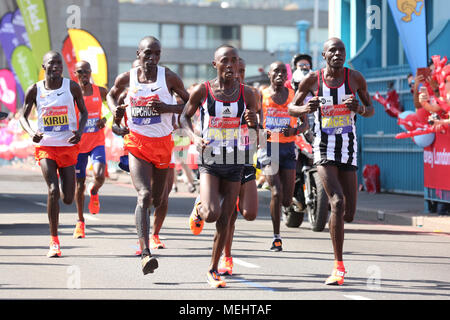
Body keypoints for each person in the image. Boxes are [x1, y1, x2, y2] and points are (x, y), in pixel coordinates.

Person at [288, 37, 374, 285]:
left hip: (348, 146)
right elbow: (292, 108)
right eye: (333, 50)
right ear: (324, 55)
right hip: (323, 146)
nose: (338, 54)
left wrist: (358, 108)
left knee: (348, 213)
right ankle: (338, 266)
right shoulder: (313, 80)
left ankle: (339, 226)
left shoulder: (355, 78)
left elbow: (370, 110)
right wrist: (306, 109)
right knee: (336, 202)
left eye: (342, 50)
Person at [107, 36, 189, 274]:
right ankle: (145, 254)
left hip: (163, 144)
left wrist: (168, 108)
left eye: (157, 54)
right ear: (138, 54)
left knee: (158, 200)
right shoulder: (128, 78)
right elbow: (111, 96)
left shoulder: (169, 77)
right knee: (143, 195)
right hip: (137, 142)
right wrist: (116, 112)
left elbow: (190, 103)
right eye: (147, 54)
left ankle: (150, 232)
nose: (152, 58)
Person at [180, 44, 258, 288]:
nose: (230, 65)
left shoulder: (248, 94)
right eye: (225, 61)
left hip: (235, 159)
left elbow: (256, 128)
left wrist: (254, 121)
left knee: (227, 216)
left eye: (234, 61)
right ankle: (200, 206)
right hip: (211, 159)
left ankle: (213, 269)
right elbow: (184, 116)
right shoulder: (203, 91)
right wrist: (194, 137)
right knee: (212, 214)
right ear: (215, 64)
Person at [19, 51, 88, 257]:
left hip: (67, 146)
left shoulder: (72, 87)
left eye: (59, 63)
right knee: (52, 190)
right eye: (52, 63)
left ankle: (64, 194)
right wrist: (32, 132)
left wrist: (79, 131)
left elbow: (83, 112)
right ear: (44, 67)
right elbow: (23, 116)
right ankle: (54, 242)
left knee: (67, 198)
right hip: (46, 146)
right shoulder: (35, 89)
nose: (57, 66)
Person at [218, 57, 259, 276]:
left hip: (246, 158)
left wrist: (254, 124)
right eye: (236, 70)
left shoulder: (251, 94)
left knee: (249, 213)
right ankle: (227, 257)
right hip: (221, 160)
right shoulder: (219, 94)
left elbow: (257, 134)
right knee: (228, 214)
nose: (238, 74)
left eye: (242, 70)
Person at [259, 61, 300, 252]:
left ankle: (288, 203)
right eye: (276, 71)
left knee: (286, 199)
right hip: (269, 148)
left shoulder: (294, 96)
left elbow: (305, 123)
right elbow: (256, 124)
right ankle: (276, 237)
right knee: (276, 191)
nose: (280, 74)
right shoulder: (262, 95)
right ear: (269, 74)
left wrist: (295, 129)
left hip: (288, 147)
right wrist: (263, 134)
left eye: (284, 72)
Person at [72, 61, 109, 239]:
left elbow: (114, 103)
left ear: (90, 72)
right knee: (79, 186)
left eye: (87, 71)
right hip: (78, 145)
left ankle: (94, 191)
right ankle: (80, 222)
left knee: (100, 176)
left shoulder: (99, 91)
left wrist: (106, 118)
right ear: (75, 74)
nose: (84, 74)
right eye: (80, 72)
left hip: (96, 142)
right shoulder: (71, 93)